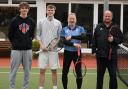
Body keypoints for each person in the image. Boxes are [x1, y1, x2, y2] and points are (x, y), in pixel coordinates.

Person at [92, 10, 123, 89]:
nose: (107, 17)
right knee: (99, 76)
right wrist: (93, 50)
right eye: (106, 16)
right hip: (100, 56)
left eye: (109, 16)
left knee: (113, 76)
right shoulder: (98, 26)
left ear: (111, 17)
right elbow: (94, 39)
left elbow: (121, 39)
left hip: (112, 57)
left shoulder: (116, 27)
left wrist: (113, 40)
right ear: (103, 17)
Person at [8, 2, 35, 89]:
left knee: (27, 72)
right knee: (13, 71)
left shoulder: (31, 21)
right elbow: (10, 35)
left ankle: (25, 87)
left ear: (28, 9)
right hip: (16, 50)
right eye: (22, 8)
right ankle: (12, 87)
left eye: (26, 8)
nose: (24, 9)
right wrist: (16, 44)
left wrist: (27, 42)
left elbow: (31, 34)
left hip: (28, 50)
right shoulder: (14, 20)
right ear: (19, 9)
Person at [36, 5, 62, 89]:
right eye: (49, 10)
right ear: (46, 11)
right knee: (42, 71)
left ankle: (55, 87)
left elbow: (59, 37)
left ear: (54, 11)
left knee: (54, 71)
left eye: (52, 10)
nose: (50, 12)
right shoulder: (40, 22)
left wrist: (53, 45)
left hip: (53, 51)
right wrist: (42, 45)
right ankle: (41, 88)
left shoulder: (58, 23)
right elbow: (37, 35)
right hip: (43, 51)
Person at [60, 13, 86, 89]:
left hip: (77, 53)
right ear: (68, 20)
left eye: (73, 19)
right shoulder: (64, 29)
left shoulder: (80, 28)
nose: (71, 20)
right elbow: (63, 41)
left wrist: (72, 37)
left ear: (75, 20)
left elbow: (83, 37)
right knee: (64, 72)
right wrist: (74, 44)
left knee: (79, 73)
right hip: (67, 53)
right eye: (70, 18)